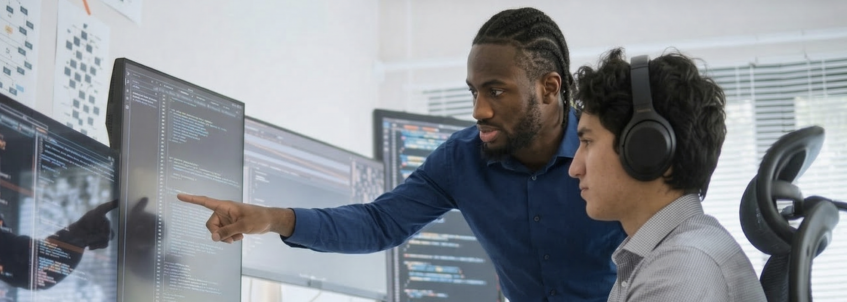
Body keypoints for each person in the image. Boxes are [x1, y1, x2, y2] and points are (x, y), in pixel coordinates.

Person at [179, 7, 626, 301]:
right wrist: (272, 219)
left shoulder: (612, 150)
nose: (478, 111)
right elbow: (379, 223)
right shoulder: (462, 159)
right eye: (473, 92)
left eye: (496, 91)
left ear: (550, 88)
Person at [568, 48, 765, 301]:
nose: (574, 169)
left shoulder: (678, 270)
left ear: (647, 149)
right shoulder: (669, 255)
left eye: (587, 142)